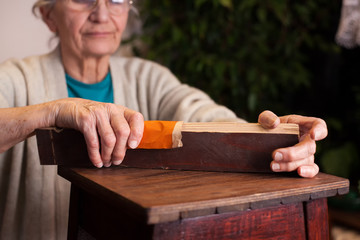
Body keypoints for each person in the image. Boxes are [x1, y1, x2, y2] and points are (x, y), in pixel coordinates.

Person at [0, 0, 328, 239]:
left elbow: (203, 114)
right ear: (48, 15)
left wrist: (269, 138)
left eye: (116, 0)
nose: (102, 13)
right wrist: (50, 111)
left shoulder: (150, 77)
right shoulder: (14, 78)